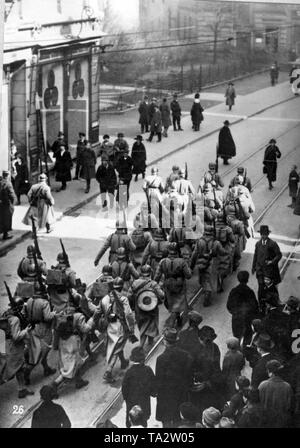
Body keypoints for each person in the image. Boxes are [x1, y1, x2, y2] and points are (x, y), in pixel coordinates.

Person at [52, 293, 100, 392]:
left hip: (62, 342)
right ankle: (55, 384)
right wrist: (92, 319)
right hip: (73, 342)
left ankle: (78, 381)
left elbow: (56, 331)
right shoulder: (78, 316)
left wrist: (55, 345)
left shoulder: (60, 314)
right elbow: (85, 329)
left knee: (69, 364)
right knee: (74, 364)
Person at [155, 328, 193, 428]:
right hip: (181, 394)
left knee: (166, 421)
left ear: (165, 341)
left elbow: (159, 381)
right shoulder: (186, 355)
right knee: (178, 420)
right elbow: (189, 375)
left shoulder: (161, 359)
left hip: (166, 396)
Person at [101, 277, 136, 383]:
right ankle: (108, 371)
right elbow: (128, 314)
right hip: (120, 326)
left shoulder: (104, 299)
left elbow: (98, 311)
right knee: (117, 348)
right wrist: (131, 328)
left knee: (116, 344)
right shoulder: (123, 299)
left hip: (109, 326)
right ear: (121, 287)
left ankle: (123, 361)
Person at [0, 295, 34, 398]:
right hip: (14, 347)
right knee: (9, 373)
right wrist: (25, 331)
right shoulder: (15, 319)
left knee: (19, 368)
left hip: (8, 344)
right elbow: (16, 336)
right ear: (18, 307)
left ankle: (22, 389)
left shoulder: (6, 314)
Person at [154, 243, 192, 329]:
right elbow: (188, 276)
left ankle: (177, 317)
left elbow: (157, 276)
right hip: (179, 285)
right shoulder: (182, 261)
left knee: (171, 303)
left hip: (167, 284)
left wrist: (154, 286)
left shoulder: (163, 261)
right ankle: (172, 324)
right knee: (177, 303)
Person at [127, 264, 164, 347]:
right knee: (151, 325)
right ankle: (144, 345)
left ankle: (146, 343)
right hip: (151, 309)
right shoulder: (153, 284)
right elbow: (161, 295)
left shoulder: (135, 283)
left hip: (139, 309)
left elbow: (129, 296)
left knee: (142, 325)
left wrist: (133, 305)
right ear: (150, 273)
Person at [122, 346, 156, 428]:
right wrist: (153, 393)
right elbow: (153, 386)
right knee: (143, 421)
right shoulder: (148, 370)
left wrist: (127, 400)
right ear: (143, 359)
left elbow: (124, 389)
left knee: (131, 422)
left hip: (131, 403)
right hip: (144, 402)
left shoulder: (129, 372)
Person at [226, 271, 259, 345]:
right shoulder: (249, 291)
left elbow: (229, 306)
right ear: (247, 279)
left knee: (237, 337)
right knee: (247, 339)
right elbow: (255, 306)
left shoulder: (234, 291)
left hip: (236, 319)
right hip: (247, 319)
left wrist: (235, 313)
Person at [252, 225, 282, 304]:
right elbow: (255, 255)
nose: (264, 236)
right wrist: (253, 267)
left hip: (270, 271)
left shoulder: (272, 244)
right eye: (262, 234)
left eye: (265, 234)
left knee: (271, 289)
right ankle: (261, 305)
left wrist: (272, 262)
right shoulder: (258, 244)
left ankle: (275, 303)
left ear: (268, 234)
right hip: (260, 271)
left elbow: (279, 255)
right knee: (261, 289)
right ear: (260, 234)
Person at [258, 359, 293, 428]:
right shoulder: (287, 386)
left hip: (265, 421)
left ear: (269, 372)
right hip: (281, 422)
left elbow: (258, 403)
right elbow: (289, 406)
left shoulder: (262, 385)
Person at [0, 170, 17, 240]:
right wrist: (13, 203)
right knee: (7, 219)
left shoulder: (0, 182)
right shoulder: (8, 183)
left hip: (0, 203)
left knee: (1, 219)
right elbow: (12, 194)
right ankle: (5, 234)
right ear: (8, 175)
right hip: (6, 204)